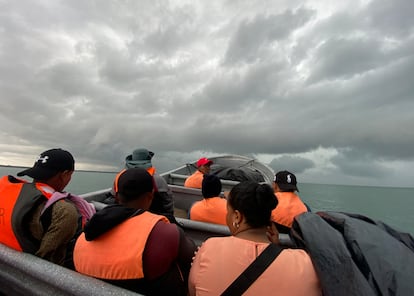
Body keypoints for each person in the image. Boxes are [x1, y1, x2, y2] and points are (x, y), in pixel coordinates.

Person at [74, 168, 197, 295]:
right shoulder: (165, 232)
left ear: (116, 197)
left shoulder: (84, 235)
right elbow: (193, 257)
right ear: (150, 196)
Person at [188, 181, 321, 296]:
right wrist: (276, 248)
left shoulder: (209, 248)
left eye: (228, 211)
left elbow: (192, 291)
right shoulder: (304, 262)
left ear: (237, 217)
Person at [0, 148, 95, 268]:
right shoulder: (64, 211)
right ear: (65, 175)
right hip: (21, 274)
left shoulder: (6, 190)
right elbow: (48, 263)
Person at [124, 148, 175, 223]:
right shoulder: (157, 179)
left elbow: (112, 198)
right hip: (153, 220)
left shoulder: (120, 178)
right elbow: (168, 201)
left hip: (125, 217)